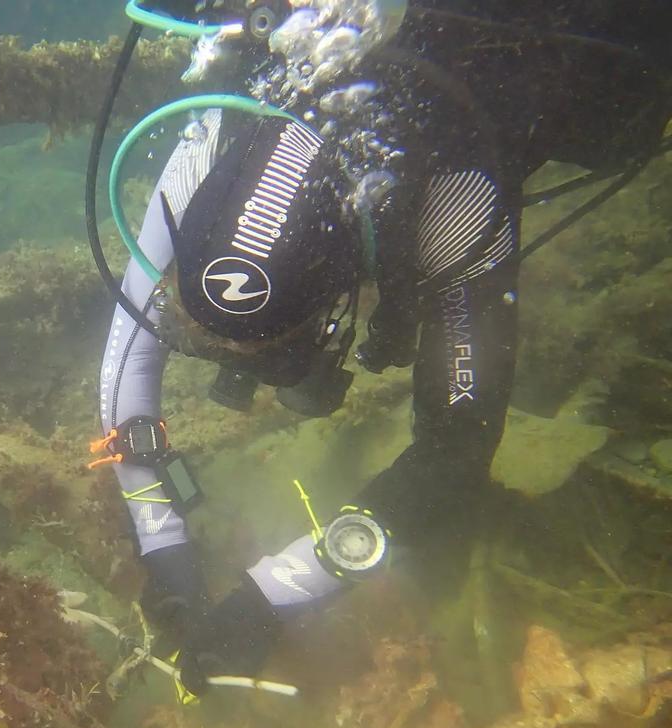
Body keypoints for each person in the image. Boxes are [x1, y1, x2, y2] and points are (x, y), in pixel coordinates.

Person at [88, 1, 672, 693]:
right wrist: (165, 550)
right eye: (194, 334)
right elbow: (131, 365)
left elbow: (457, 448)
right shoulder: (211, 157)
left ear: (336, 318)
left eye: (278, 358)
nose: (244, 386)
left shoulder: (457, 213)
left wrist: (272, 599)